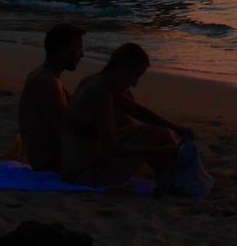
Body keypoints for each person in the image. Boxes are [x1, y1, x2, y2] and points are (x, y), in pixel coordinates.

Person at [61, 41, 184, 189]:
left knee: (159, 131)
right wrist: (156, 152)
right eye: (134, 76)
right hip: (85, 175)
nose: (135, 84)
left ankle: (171, 175)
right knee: (158, 135)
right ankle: (174, 178)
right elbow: (112, 148)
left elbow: (136, 110)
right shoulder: (100, 94)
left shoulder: (94, 81)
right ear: (122, 69)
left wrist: (175, 127)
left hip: (80, 165)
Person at [18, 22, 87, 172]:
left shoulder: (47, 76)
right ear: (62, 49)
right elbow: (66, 129)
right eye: (78, 49)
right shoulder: (47, 82)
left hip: (47, 157)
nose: (82, 55)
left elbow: (74, 107)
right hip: (50, 162)